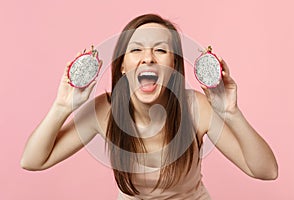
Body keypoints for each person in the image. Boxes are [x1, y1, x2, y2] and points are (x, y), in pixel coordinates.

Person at [21, 14, 278, 199]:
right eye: (136, 50)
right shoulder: (104, 111)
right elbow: (32, 161)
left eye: (160, 50)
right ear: (122, 66)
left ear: (173, 67)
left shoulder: (195, 107)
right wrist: (62, 106)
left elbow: (266, 171)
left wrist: (231, 113)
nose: (148, 58)